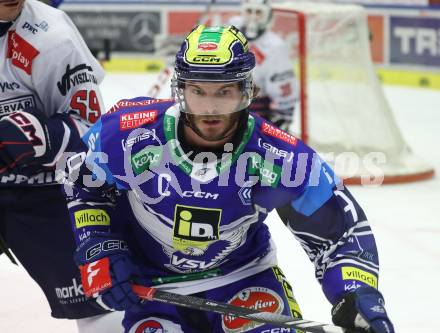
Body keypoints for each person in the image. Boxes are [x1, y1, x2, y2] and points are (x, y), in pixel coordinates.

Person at [65, 24, 394, 333]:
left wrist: (356, 293)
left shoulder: (280, 158)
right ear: (180, 90)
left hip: (245, 280)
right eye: (198, 91)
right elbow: (83, 182)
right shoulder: (127, 132)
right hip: (151, 289)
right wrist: (99, 245)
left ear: (246, 90)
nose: (210, 109)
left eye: (224, 91)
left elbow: (339, 234)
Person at [0, 0, 123, 331]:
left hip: (46, 195)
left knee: (100, 307)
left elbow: (92, 131)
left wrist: (38, 135)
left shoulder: (52, 40)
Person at [228, 0, 298, 132]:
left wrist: (281, 120)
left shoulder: (275, 47)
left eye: (259, 12)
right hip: (225, 108)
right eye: (249, 11)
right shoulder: (230, 32)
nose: (253, 17)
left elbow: (285, 93)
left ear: (268, 16)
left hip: (254, 115)